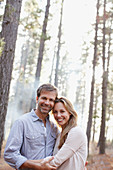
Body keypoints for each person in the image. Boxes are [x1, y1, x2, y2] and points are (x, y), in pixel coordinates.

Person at [4, 84, 59, 170]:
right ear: (37, 99)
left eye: (51, 100)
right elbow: (10, 154)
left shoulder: (54, 128)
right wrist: (37, 166)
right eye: (44, 98)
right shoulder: (22, 122)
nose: (47, 103)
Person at [44, 97, 87, 170]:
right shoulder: (59, 135)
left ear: (69, 112)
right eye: (55, 112)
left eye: (62, 111)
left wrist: (29, 164)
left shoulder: (76, 132)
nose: (58, 115)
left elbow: (56, 161)